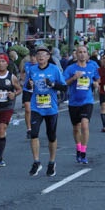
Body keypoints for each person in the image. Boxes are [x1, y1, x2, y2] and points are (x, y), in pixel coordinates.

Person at [26, 47, 67, 177]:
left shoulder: (54, 70)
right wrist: (29, 85)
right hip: (36, 107)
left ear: (48, 57)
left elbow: (64, 87)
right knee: (34, 133)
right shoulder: (32, 70)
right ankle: (36, 161)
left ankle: (51, 162)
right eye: (38, 54)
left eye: (43, 54)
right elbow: (27, 86)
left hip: (51, 107)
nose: (40, 57)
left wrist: (53, 84)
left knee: (51, 135)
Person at [62, 45, 99, 165]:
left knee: (84, 125)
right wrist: (74, 78)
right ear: (76, 55)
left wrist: (96, 83)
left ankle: (83, 152)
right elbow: (64, 84)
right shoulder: (70, 68)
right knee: (76, 128)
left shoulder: (92, 66)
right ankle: (78, 149)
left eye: (84, 52)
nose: (82, 54)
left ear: (87, 54)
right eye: (80, 52)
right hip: (73, 102)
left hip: (87, 101)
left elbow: (98, 79)